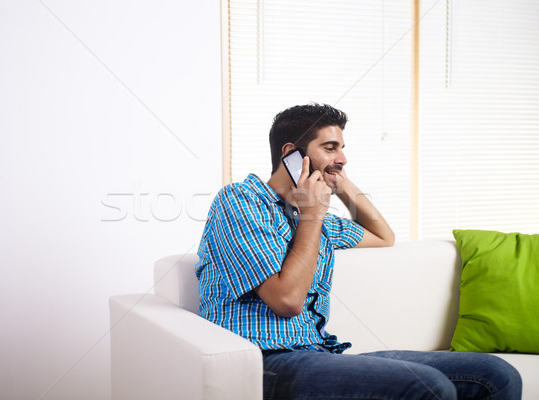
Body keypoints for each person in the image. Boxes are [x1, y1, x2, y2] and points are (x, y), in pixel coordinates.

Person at [195, 104, 522, 399]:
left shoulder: (314, 218)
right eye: (330, 147)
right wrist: (313, 214)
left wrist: (341, 183)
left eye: (342, 149)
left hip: (320, 353)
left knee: (496, 375)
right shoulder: (239, 202)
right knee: (427, 387)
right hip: (268, 361)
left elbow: (384, 236)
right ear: (292, 154)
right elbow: (287, 300)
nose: (342, 157)